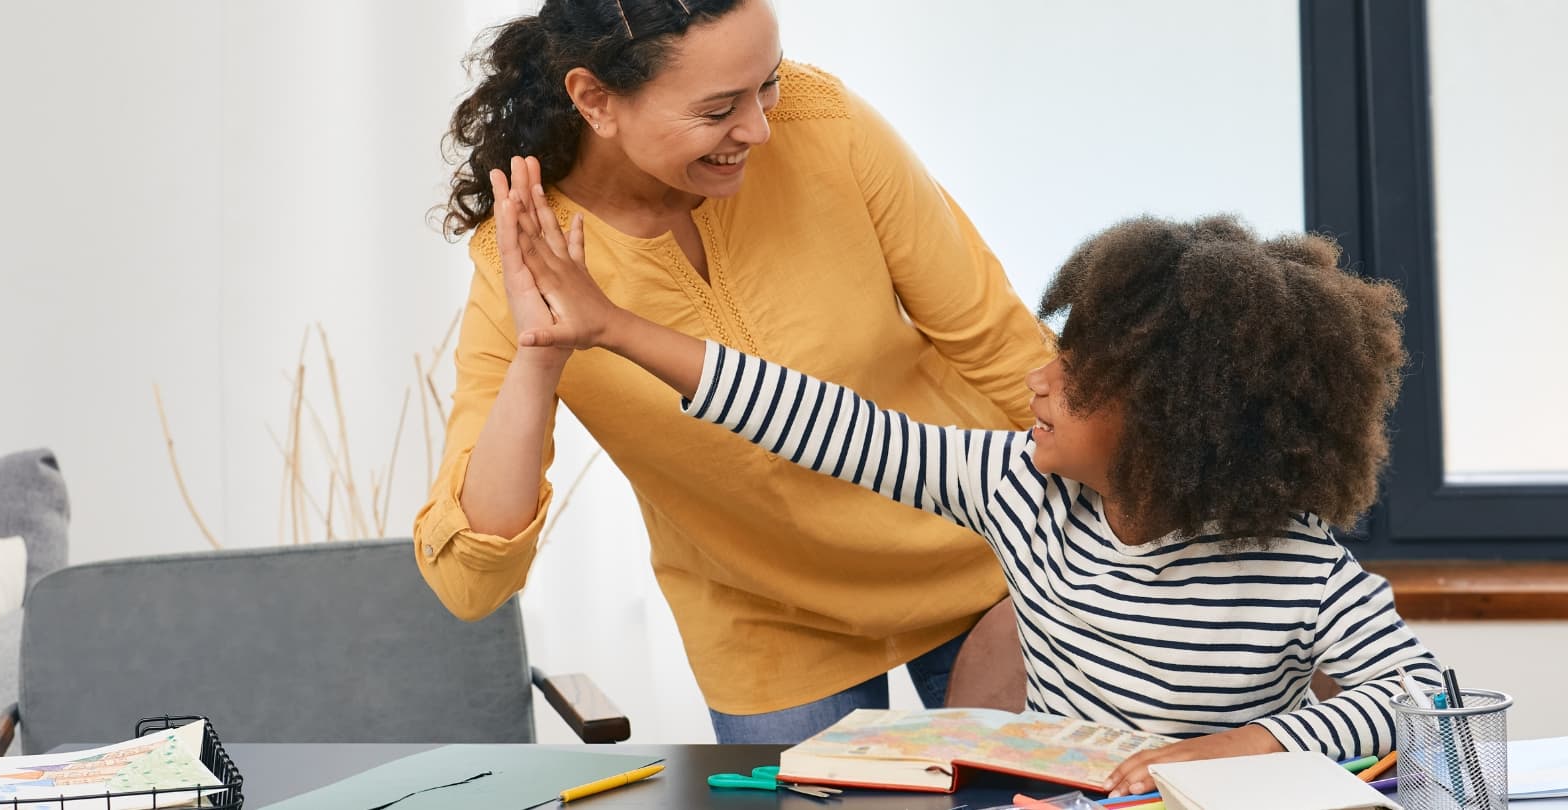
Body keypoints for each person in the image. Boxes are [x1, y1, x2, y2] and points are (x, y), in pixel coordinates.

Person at [497, 196, 1444, 796]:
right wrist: (615, 327)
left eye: (1076, 376)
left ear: (1173, 421)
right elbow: (823, 421)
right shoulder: (1020, 492)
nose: (1039, 380)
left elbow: (1421, 694)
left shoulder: (1293, 562)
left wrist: (1235, 747)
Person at [415, 0, 1056, 743]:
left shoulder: (824, 125)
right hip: (770, 625)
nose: (758, 128)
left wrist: (1134, 524)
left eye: (768, 84)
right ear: (594, 99)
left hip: (986, 558)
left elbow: (1002, 343)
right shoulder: (527, 260)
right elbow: (471, 582)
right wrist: (541, 357)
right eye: (719, 108)